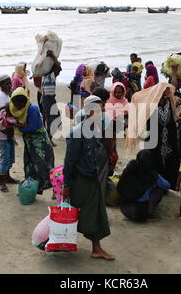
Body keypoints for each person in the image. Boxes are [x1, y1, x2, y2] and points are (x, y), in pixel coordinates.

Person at [63, 95, 115, 260]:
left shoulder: (96, 130)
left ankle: (96, 248)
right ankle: (66, 243)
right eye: (100, 110)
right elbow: (69, 162)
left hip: (92, 179)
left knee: (97, 214)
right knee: (79, 215)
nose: (103, 113)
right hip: (80, 181)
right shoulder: (76, 133)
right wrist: (66, 185)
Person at [127, 82, 181, 188]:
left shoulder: (170, 102)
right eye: (164, 90)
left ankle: (170, 181)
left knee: (170, 159)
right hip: (154, 136)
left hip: (170, 137)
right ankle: (157, 182)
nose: (167, 92)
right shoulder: (150, 104)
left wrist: (170, 93)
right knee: (155, 159)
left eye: (167, 90)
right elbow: (137, 100)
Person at [10, 87, 54, 194]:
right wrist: (21, 125)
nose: (18, 107)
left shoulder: (32, 109)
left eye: (21, 105)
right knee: (30, 164)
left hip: (39, 140)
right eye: (16, 104)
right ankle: (31, 188)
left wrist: (18, 125)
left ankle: (54, 189)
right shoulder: (13, 108)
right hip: (29, 141)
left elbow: (33, 127)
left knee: (43, 164)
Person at [117, 149, 170, 222]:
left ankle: (140, 213)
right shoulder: (152, 174)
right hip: (139, 213)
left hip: (124, 209)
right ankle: (147, 215)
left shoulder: (129, 170)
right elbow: (167, 186)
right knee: (159, 190)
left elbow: (119, 188)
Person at [0, 75, 20, 192]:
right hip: (3, 134)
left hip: (9, 133)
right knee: (5, 157)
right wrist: (3, 129)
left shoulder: (8, 94)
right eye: (6, 84)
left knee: (10, 157)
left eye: (9, 83)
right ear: (0, 85)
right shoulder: (0, 97)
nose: (8, 85)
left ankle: (7, 177)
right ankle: (1, 182)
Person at [41, 50, 62, 145]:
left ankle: (48, 138)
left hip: (48, 99)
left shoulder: (45, 76)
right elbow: (59, 67)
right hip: (48, 99)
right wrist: (53, 56)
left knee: (53, 119)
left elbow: (58, 67)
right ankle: (48, 139)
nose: (58, 72)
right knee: (54, 119)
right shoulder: (50, 76)